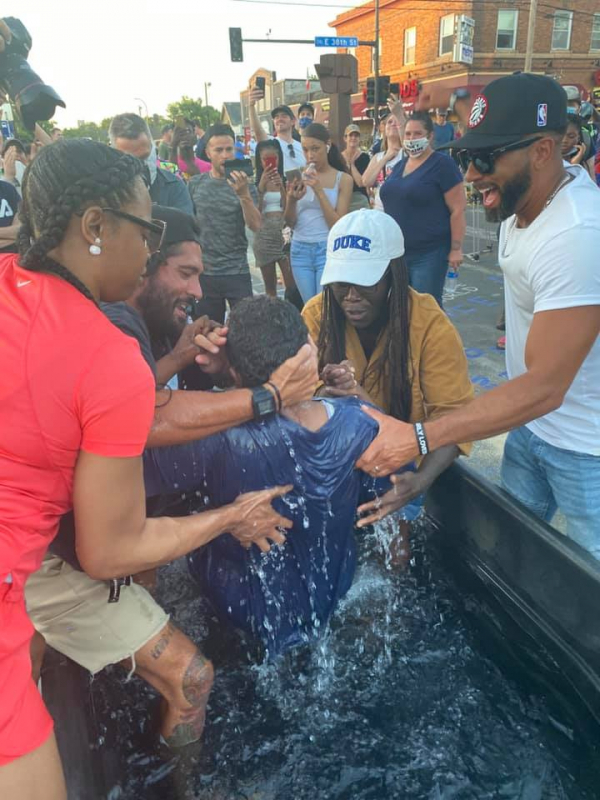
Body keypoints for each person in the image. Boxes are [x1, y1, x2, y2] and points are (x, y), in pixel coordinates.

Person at [0, 139, 294, 798]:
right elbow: (112, 549)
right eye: (148, 230)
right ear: (96, 226)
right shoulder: (106, 352)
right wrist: (230, 517)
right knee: (190, 677)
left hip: (28, 573)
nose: (151, 247)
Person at [357, 73, 600, 558]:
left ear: (542, 151)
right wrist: (447, 97)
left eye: (485, 160)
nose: (470, 176)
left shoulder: (576, 235)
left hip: (585, 447)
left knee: (585, 597)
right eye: (468, 158)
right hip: (531, 428)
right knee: (512, 563)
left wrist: (419, 437)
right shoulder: (523, 200)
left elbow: (544, 386)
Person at [144, 296, 423, 656]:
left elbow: (129, 437)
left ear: (231, 371)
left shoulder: (207, 437)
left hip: (240, 611)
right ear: (309, 350)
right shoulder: (359, 423)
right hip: (332, 598)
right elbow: (398, 498)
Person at [301, 209, 473, 527]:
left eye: (365, 284)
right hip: (332, 467)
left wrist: (418, 482)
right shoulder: (315, 316)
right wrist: (327, 392)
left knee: (398, 556)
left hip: (404, 474)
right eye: (341, 283)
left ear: (394, 275)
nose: (350, 296)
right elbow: (291, 399)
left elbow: (454, 421)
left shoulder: (429, 325)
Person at [380, 111, 466, 306]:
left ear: (430, 136)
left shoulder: (443, 165)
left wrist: (456, 249)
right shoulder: (401, 165)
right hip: (397, 253)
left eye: (417, 134)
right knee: (400, 309)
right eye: (408, 134)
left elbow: (458, 209)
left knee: (426, 309)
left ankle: (440, 338)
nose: (411, 138)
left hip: (429, 254)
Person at [188, 123, 260, 322]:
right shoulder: (196, 184)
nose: (225, 155)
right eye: (218, 150)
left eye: (229, 149)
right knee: (208, 332)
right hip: (205, 273)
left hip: (237, 270)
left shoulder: (245, 184)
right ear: (208, 153)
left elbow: (255, 226)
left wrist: (243, 195)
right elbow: (189, 226)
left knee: (247, 330)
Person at [284, 123, 353, 303]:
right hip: (300, 248)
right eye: (305, 150)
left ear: (327, 146)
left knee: (325, 305)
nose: (310, 155)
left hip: (327, 247)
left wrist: (319, 191)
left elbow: (338, 225)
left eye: (315, 149)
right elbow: (289, 222)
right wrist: (291, 199)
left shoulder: (343, 179)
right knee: (310, 307)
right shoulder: (298, 175)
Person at [109, 112, 193, 214]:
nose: (140, 166)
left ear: (152, 145)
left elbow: (185, 226)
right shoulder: (106, 195)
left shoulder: (174, 186)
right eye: (131, 160)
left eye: (145, 157)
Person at [252, 139, 297, 302]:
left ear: (279, 158)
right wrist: (261, 188)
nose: (271, 163)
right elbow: (254, 215)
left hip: (284, 234)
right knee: (270, 290)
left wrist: (284, 189)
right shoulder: (255, 183)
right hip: (264, 235)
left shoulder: (286, 179)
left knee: (292, 286)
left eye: (274, 159)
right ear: (260, 160)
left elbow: (289, 209)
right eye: (266, 159)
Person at [248, 92, 306, 172]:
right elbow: (257, 130)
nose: (279, 119)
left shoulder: (302, 147)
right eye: (276, 117)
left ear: (293, 121)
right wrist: (251, 106)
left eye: (284, 116)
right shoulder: (271, 143)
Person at [361, 113, 405, 210]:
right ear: (384, 129)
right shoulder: (378, 157)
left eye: (396, 122)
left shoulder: (407, 153)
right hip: (380, 210)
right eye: (390, 122)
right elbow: (366, 181)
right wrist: (385, 158)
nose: (393, 124)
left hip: (401, 208)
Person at [340, 123, 371, 211]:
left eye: (356, 135)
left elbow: (361, 183)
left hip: (361, 199)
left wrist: (352, 165)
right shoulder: (339, 158)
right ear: (345, 138)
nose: (353, 138)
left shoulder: (365, 157)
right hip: (344, 199)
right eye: (351, 135)